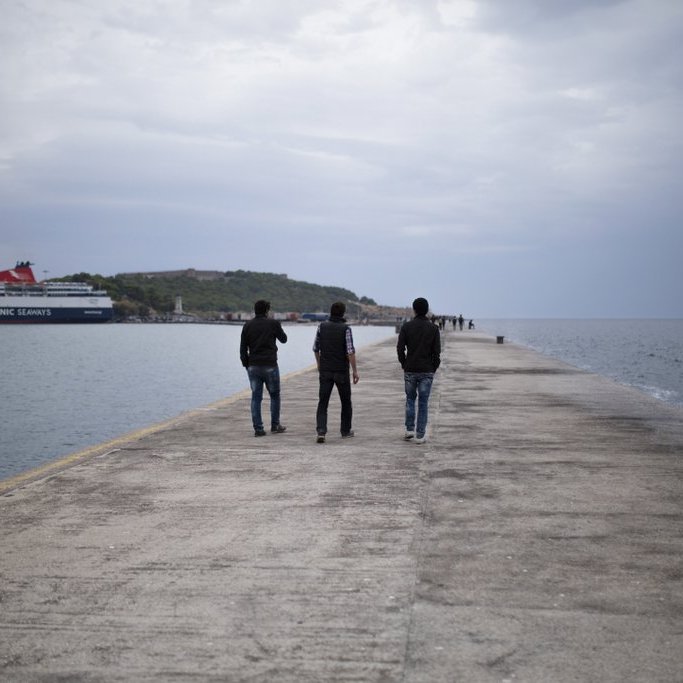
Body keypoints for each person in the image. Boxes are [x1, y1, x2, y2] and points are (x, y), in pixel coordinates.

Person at [240, 300, 288, 437]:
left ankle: (258, 429)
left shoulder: (247, 325)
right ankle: (275, 425)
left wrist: (246, 364)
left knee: (256, 398)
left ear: (255, 310)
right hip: (270, 365)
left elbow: (243, 348)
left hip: (253, 366)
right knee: (274, 395)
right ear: (267, 310)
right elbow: (284, 339)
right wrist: (278, 328)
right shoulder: (273, 323)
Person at [313, 301, 359, 443]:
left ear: (331, 312)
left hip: (325, 371)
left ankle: (321, 431)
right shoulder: (346, 329)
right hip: (341, 371)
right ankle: (345, 431)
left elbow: (315, 348)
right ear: (343, 313)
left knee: (323, 402)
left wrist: (320, 364)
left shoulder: (322, 327)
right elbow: (350, 352)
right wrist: (355, 371)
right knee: (345, 402)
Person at [397, 297, 441, 444]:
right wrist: (433, 367)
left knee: (410, 400)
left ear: (414, 309)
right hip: (427, 370)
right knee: (423, 402)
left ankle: (409, 429)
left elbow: (400, 348)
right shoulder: (434, 328)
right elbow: (437, 352)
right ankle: (420, 435)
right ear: (427, 310)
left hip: (410, 369)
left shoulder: (406, 326)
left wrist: (404, 363)